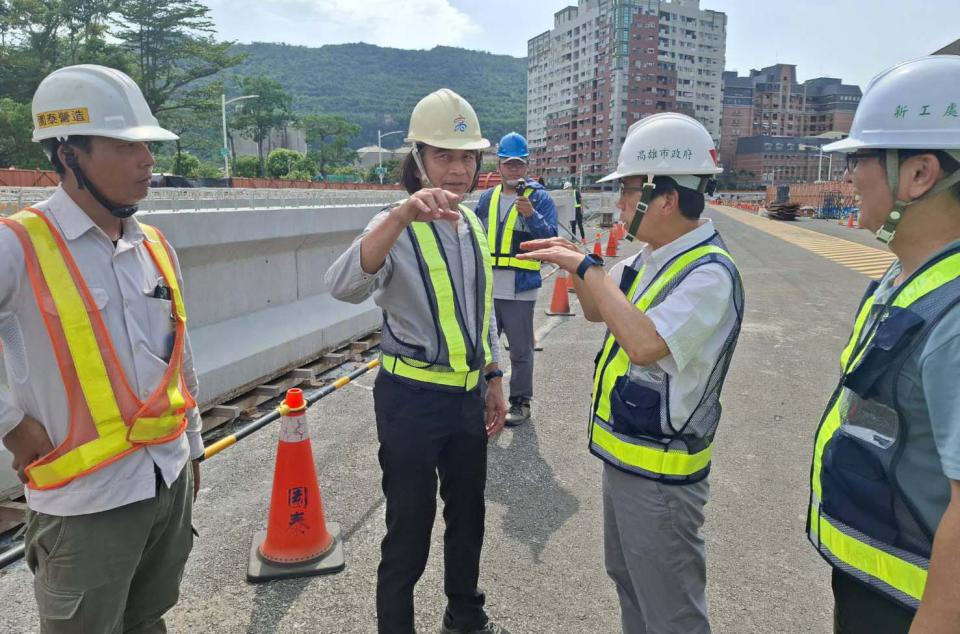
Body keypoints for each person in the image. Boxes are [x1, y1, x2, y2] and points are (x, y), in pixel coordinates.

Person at [518, 113, 744, 633]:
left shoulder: (708, 273)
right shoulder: (652, 257)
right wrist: (578, 264)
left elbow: (642, 344)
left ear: (666, 197)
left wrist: (588, 269)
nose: (619, 203)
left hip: (663, 475)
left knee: (671, 611)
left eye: (626, 190)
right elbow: (600, 310)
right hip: (627, 458)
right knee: (629, 581)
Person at [0, 64, 202, 632]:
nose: (147, 161)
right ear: (69, 155)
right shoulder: (18, 245)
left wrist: (194, 449)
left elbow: (179, 362)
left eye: (148, 146)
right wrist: (12, 424)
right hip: (84, 502)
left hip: (167, 478)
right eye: (125, 145)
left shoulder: (153, 245)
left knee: (148, 620)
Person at [325, 88, 509, 634]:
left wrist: (494, 375)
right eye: (444, 156)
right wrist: (401, 215)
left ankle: (465, 616)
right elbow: (342, 285)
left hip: (465, 398)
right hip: (410, 401)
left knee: (468, 516)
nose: (458, 169)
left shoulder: (473, 225)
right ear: (418, 160)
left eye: (467, 157)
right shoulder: (393, 224)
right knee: (409, 525)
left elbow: (482, 314)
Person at [807, 55, 960, 634]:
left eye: (859, 160)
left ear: (920, 175)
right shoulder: (908, 278)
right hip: (884, 580)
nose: (849, 178)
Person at [474, 132, 557, 426]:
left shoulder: (540, 198)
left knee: (521, 351)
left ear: (527, 165)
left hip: (520, 288)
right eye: (509, 164)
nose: (514, 170)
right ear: (499, 165)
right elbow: (474, 237)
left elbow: (550, 240)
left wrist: (532, 216)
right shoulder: (487, 199)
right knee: (484, 348)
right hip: (489, 288)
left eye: (519, 164)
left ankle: (520, 401)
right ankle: (483, 400)